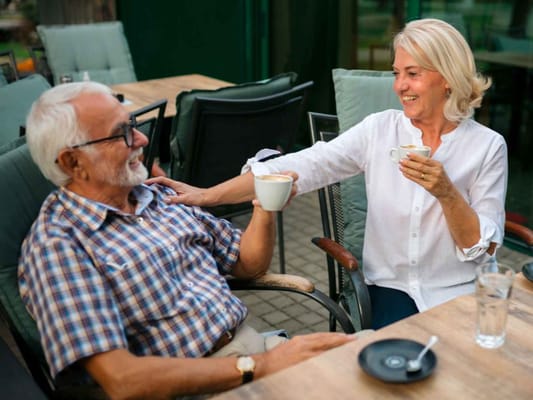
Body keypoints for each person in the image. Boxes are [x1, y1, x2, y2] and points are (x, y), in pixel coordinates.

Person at [148, 18, 508, 329]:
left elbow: (481, 248)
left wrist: (446, 192)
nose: (399, 86)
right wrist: (204, 195)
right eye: (397, 73)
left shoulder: (488, 147)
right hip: (390, 290)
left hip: (459, 292)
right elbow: (304, 165)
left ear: (447, 79)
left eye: (413, 74)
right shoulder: (380, 130)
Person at [18, 81, 355, 399]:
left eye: (133, 124)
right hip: (199, 386)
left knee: (370, 356)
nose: (142, 139)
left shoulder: (158, 197)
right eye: (121, 133)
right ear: (72, 161)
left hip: (254, 350)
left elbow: (247, 264)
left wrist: (264, 207)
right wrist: (262, 365)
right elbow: (121, 380)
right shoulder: (57, 246)